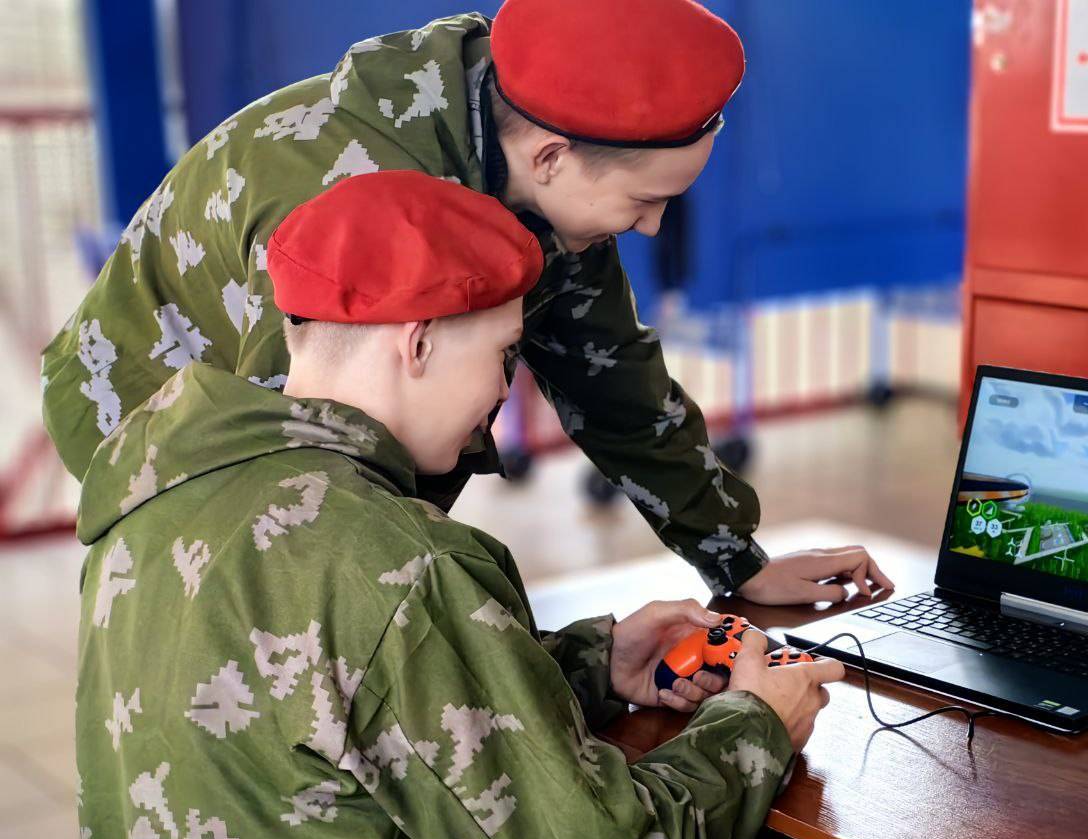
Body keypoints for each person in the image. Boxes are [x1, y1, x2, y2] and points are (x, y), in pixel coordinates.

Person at [75, 170, 847, 839]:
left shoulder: (161, 495)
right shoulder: (397, 560)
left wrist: (590, 662)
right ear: (418, 344)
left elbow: (331, 703)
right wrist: (755, 724)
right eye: (504, 354)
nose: (501, 396)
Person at [42, 0, 893, 607]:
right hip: (157, 408)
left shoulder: (541, 150)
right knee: (261, 637)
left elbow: (615, 382)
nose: (651, 227)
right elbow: (311, 495)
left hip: (298, 445)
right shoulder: (353, 204)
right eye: (644, 202)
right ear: (552, 157)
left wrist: (738, 562)